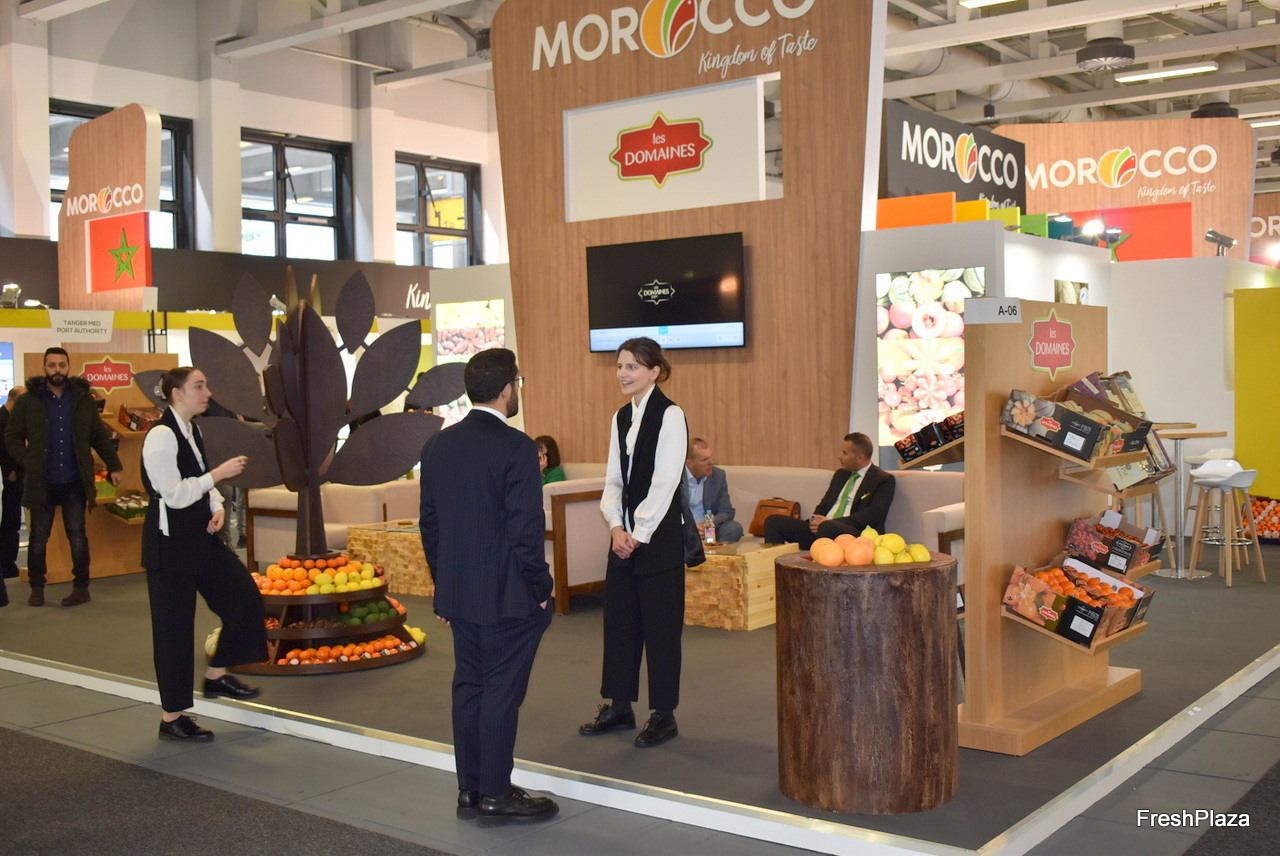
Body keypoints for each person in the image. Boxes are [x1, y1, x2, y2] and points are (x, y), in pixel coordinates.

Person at [419, 348, 558, 827]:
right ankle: (496, 793)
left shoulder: (438, 445)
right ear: (506, 389)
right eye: (518, 383)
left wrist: (444, 587)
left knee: (469, 687)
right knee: (499, 691)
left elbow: (430, 525)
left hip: (460, 593)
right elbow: (525, 528)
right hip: (509, 596)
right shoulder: (517, 447)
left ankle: (472, 789)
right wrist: (542, 587)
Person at [141, 367, 267, 741]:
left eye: (205, 385)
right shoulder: (161, 436)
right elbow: (174, 494)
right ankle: (172, 717)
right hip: (169, 547)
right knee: (174, 632)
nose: (207, 392)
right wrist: (219, 474)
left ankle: (217, 675)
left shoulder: (191, 430)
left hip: (201, 539)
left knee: (244, 596)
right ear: (176, 394)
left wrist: (216, 506)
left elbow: (198, 481)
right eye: (198, 386)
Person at [579, 337, 687, 749]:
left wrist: (638, 534)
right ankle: (619, 706)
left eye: (632, 367)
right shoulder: (620, 416)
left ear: (654, 371)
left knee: (661, 629)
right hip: (623, 539)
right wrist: (614, 528)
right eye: (620, 366)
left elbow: (665, 483)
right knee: (620, 625)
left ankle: (664, 715)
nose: (623, 374)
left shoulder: (671, 415)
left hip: (657, 540)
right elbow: (613, 479)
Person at [5, 348, 123, 607]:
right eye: (52, 365)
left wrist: (114, 466)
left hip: (74, 480)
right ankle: (37, 587)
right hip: (41, 481)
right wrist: (26, 460)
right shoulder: (28, 401)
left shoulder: (82, 399)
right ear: (44, 367)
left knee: (77, 536)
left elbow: (98, 436)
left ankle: (81, 588)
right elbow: (12, 435)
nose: (57, 369)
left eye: (61, 365)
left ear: (69, 367)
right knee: (38, 537)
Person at [763, 432, 895, 550]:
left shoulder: (883, 479)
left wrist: (831, 522)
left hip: (854, 535)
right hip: (823, 529)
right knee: (773, 521)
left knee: (827, 527)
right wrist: (815, 520)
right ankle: (774, 566)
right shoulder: (841, 474)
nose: (840, 457)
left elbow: (873, 515)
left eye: (844, 453)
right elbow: (825, 503)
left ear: (860, 457)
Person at [684, 437, 742, 543]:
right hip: (684, 529)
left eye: (710, 457)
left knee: (734, 528)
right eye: (704, 460)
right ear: (690, 463)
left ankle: (715, 552)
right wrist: (690, 527)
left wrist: (707, 525)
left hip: (709, 528)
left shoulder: (718, 476)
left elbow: (726, 511)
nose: (711, 462)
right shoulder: (676, 479)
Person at [0, 385, 26, 580]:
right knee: (11, 519)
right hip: (12, 474)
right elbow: (3, 448)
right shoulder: (2, 418)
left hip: (19, 471)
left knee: (13, 518)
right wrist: (8, 470)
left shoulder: (15, 418)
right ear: (11, 399)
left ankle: (9, 562)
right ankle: (7, 563)